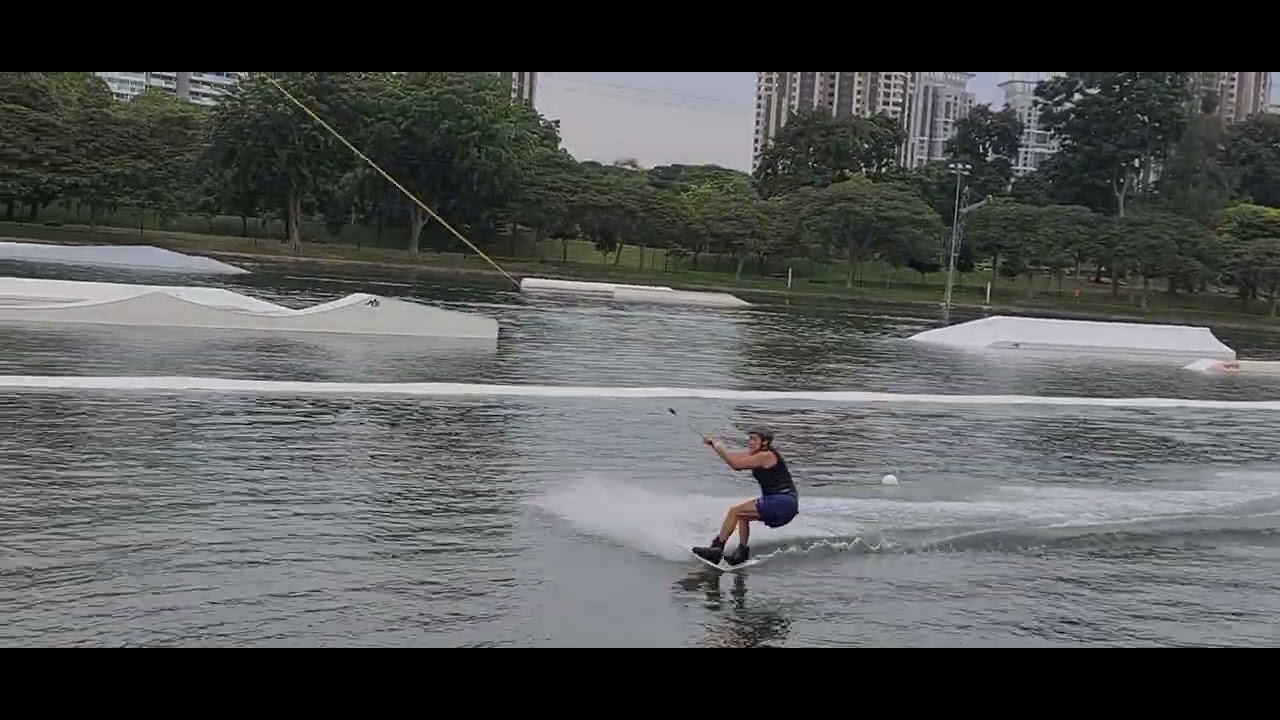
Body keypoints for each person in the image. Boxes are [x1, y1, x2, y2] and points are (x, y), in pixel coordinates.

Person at [692, 428, 798, 566]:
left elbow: (735, 465)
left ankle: (716, 549)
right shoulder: (757, 455)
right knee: (742, 515)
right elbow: (732, 457)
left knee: (735, 511)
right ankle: (741, 553)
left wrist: (717, 445)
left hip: (783, 501)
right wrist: (714, 444)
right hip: (781, 502)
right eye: (750, 439)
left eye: (754, 439)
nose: (750, 442)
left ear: (765, 442)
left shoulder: (766, 456)